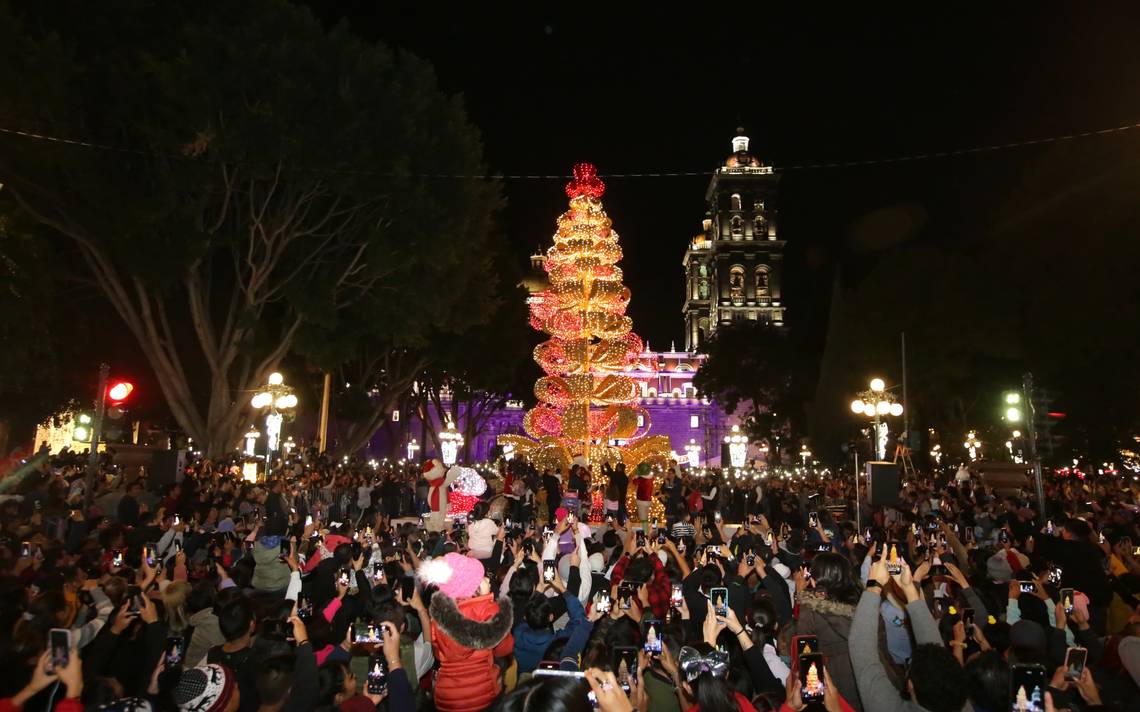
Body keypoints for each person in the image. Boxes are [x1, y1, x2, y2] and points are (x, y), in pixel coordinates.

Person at [418, 552, 514, 712]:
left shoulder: (438, 617)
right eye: (482, 577)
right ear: (472, 588)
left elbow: (437, 652)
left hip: (445, 696)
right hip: (482, 693)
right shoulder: (488, 612)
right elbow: (506, 648)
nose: (488, 580)